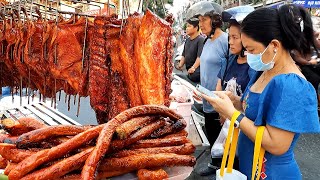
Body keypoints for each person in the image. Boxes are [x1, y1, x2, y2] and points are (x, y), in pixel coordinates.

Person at [202, 5, 320, 179]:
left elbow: (276, 144)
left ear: (274, 45)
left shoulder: (292, 85)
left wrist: (232, 113)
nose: (248, 55)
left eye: (252, 50)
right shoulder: (263, 70)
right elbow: (253, 109)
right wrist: (234, 100)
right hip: (249, 167)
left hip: (271, 173)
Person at [196, 10, 229, 176]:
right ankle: (216, 163)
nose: (200, 24)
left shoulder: (224, 40)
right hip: (206, 95)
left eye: (204, 20)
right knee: (211, 131)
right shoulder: (207, 40)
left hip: (219, 97)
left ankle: (221, 166)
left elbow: (228, 67)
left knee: (220, 134)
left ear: (215, 20)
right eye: (199, 20)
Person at [177, 18, 204, 83]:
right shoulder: (187, 40)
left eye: (189, 26)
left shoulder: (200, 39)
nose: (187, 28)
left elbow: (200, 57)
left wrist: (193, 68)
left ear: (196, 28)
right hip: (190, 73)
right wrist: (180, 65)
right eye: (186, 26)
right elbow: (184, 55)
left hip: (197, 73)